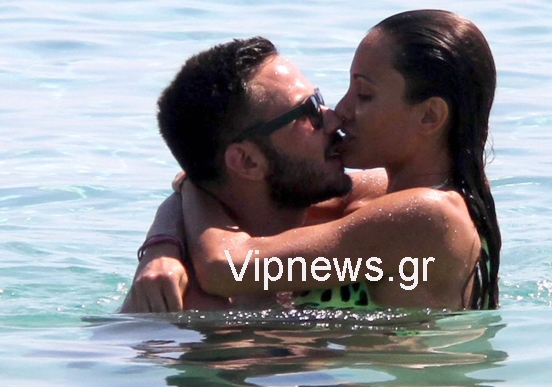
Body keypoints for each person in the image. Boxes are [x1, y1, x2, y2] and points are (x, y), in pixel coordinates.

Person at [124, 9, 501, 313]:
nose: (339, 112)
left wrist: (189, 193)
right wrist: (162, 244)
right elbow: (220, 192)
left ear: (430, 116)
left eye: (364, 94)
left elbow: (227, 268)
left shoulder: (428, 216)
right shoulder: (387, 194)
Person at [119, 36, 366, 312]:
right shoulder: (192, 307)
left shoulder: (354, 209)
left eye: (319, 100)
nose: (333, 118)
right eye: (308, 111)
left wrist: (163, 238)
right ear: (247, 161)